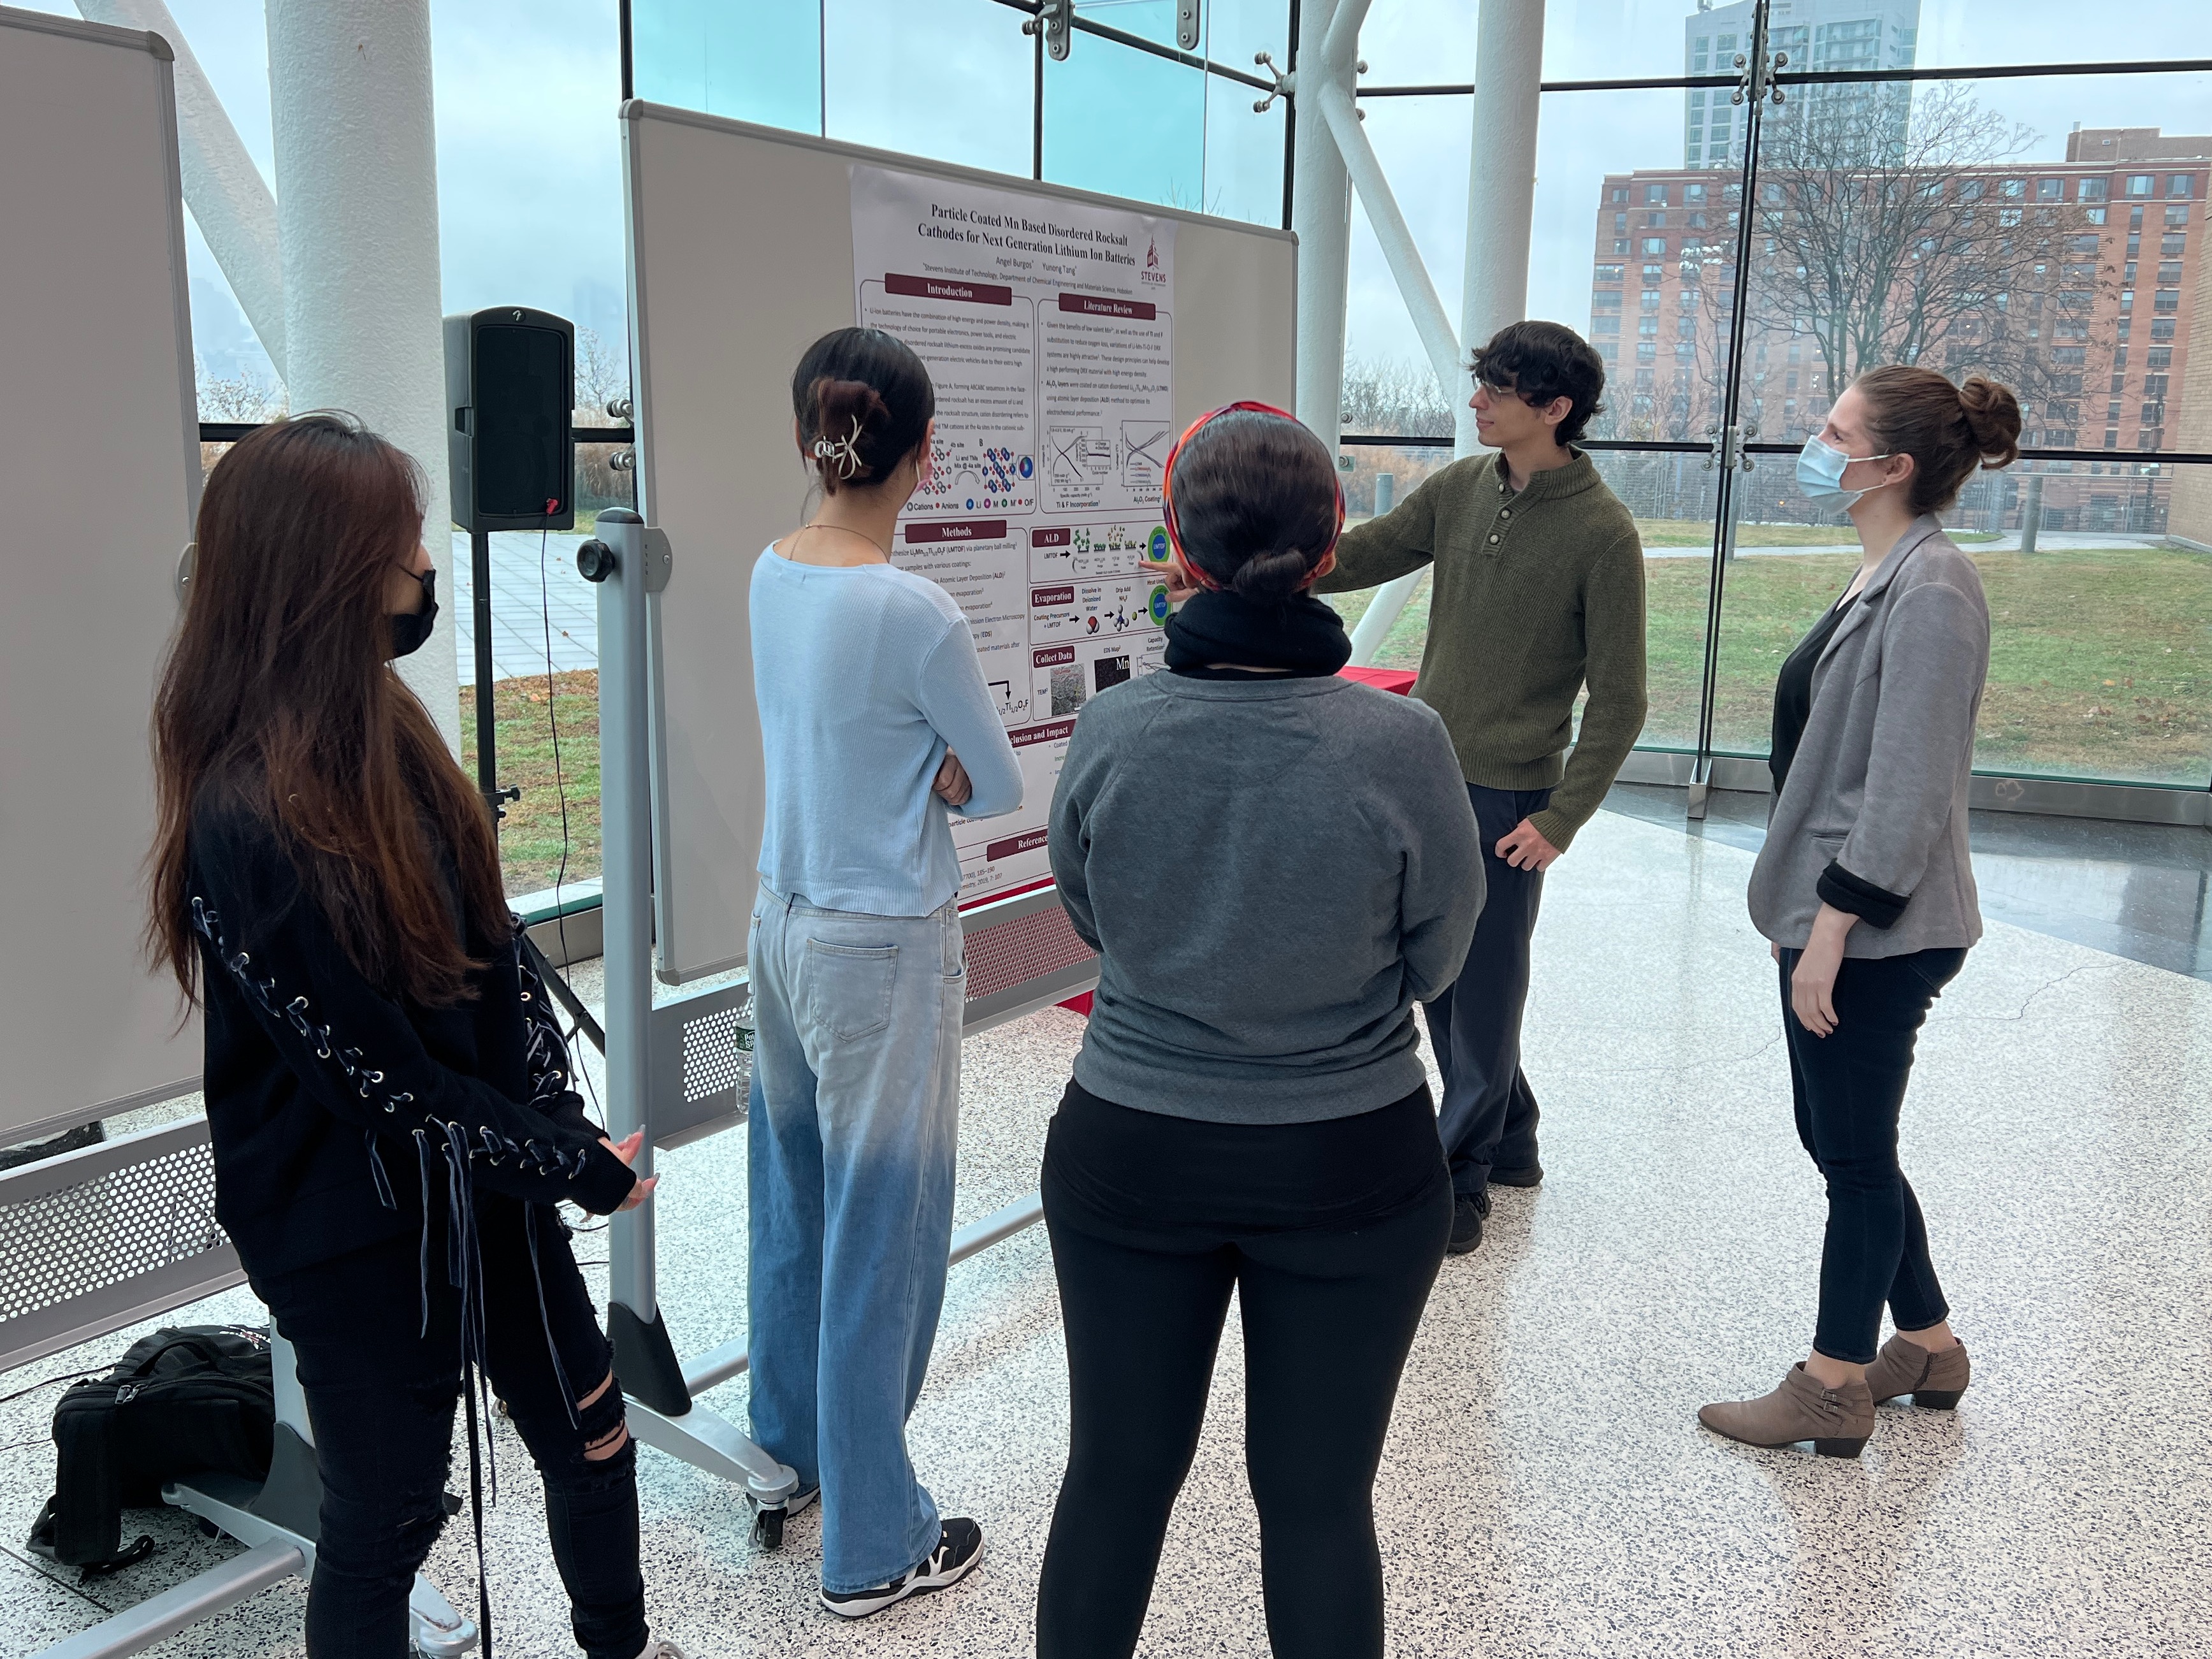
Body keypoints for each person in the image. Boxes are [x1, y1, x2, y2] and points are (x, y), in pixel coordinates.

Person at [147, 415, 681, 1659]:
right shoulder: (244, 817)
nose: (423, 576)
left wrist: (555, 1120)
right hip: (350, 1229)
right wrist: (576, 1167)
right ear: (327, 580)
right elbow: (382, 1083)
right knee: (387, 1515)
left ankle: (620, 1641)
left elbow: (495, 962)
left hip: (484, 1187)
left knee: (589, 1432)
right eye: (400, 551)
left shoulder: (392, 733)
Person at [1036, 403, 1482, 1659]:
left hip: (1130, 1150)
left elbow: (1090, 909)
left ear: (1178, 553)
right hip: (1350, 1158)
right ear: (1330, 545)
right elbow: (1440, 951)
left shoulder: (1112, 726)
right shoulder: (1401, 745)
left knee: (1113, 1482)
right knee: (1317, 1504)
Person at [744, 326, 1022, 1618]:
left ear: (811, 438)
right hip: (881, 945)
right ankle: (872, 1542)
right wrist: (945, 768)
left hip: (781, 919)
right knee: (882, 1237)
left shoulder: (768, 571)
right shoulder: (911, 609)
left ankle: (795, 1450)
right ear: (919, 457)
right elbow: (1001, 779)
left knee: (793, 1200)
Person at [1699, 367, 2019, 1458]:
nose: (1815, 444)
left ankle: (1834, 1384)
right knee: (1849, 1143)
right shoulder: (1886, 570)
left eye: (1835, 431)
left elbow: (1910, 785)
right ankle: (1926, 1346)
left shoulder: (1933, 590)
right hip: (1838, 914)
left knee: (1853, 1155)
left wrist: (1832, 928)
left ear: (1895, 466)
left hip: (1878, 928)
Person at [1315, 320, 1648, 1254]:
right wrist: (1247, 567)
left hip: (1509, 803)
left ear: (1555, 409)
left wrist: (1561, 819)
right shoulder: (1463, 488)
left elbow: (1621, 700)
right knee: (1438, 977)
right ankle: (1512, 1137)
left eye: (1497, 391)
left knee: (1484, 991)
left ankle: (1456, 1178)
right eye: (1481, 386)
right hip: (1426, 776)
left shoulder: (1604, 533)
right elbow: (1364, 553)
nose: (1476, 403)